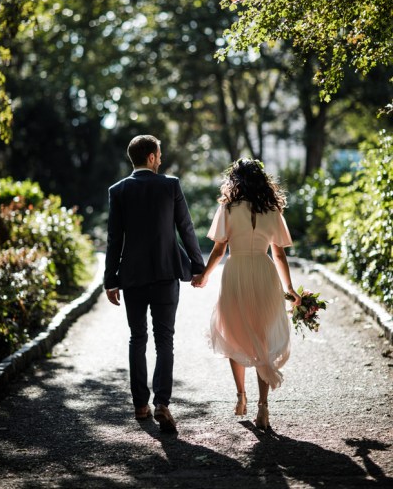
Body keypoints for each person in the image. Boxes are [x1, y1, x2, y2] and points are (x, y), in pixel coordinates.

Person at [104, 135, 204, 432]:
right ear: (150, 156)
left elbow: (114, 238)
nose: (161, 159)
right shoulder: (170, 185)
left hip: (132, 277)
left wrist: (110, 280)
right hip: (165, 274)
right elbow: (185, 227)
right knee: (164, 341)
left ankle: (140, 405)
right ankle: (162, 402)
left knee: (138, 338)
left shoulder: (117, 190)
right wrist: (198, 267)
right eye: (158, 154)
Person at [192, 158, 301, 429]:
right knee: (262, 337)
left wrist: (204, 275)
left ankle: (241, 396)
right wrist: (289, 288)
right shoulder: (272, 209)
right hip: (264, 273)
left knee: (233, 334)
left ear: (235, 181)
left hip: (237, 271)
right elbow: (278, 253)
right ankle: (263, 407)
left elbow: (218, 250)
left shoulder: (228, 208)